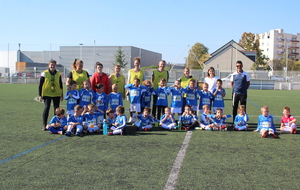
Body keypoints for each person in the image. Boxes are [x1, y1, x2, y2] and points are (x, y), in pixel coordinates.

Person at [38, 60, 63, 131]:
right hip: (47, 93)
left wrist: (61, 93)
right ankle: (44, 125)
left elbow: (60, 83)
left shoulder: (58, 73)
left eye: (54, 65)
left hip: (56, 93)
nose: (52, 66)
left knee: (57, 110)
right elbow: (40, 85)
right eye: (51, 65)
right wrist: (40, 95)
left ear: (55, 66)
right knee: (46, 108)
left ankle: (56, 124)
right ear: (48, 65)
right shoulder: (45, 73)